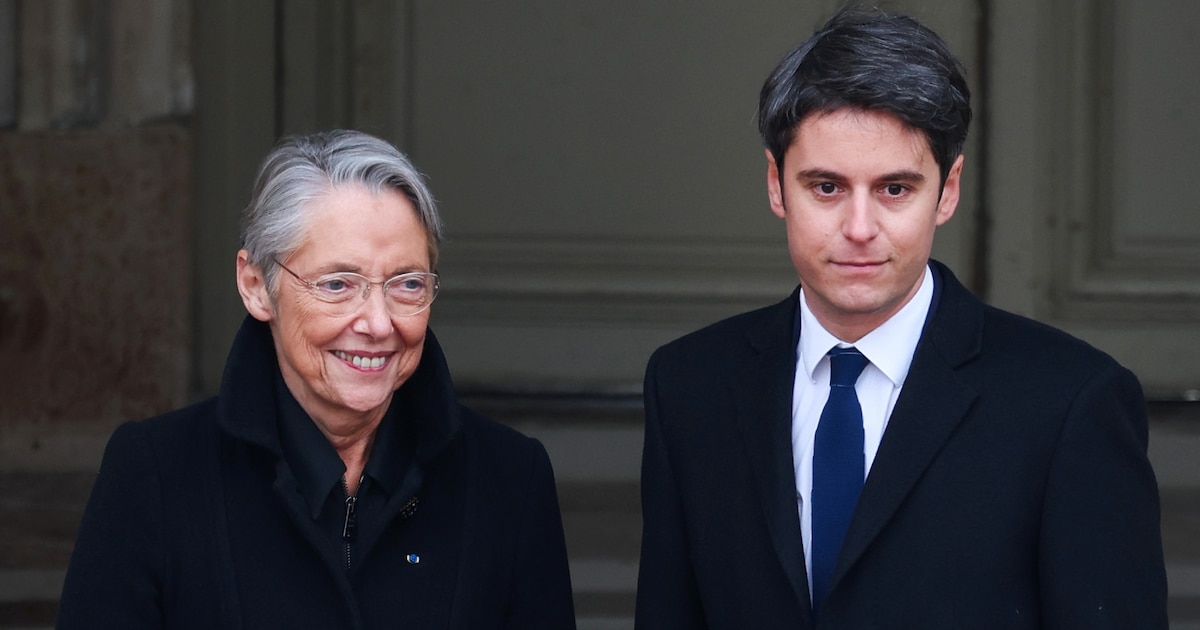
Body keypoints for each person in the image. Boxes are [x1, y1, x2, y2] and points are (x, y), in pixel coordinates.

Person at [635, 6, 1167, 628]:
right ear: (777, 185)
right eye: (827, 187)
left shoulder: (1071, 401)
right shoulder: (688, 386)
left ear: (948, 190)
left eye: (895, 189)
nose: (859, 230)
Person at [58, 130, 577, 629]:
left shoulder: (510, 479)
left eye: (407, 284)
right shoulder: (156, 475)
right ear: (257, 285)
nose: (378, 323)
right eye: (337, 284)